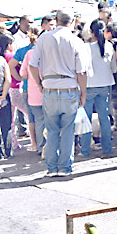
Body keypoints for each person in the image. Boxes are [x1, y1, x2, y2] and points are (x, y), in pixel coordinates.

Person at [30, 10, 88, 177]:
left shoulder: (44, 38)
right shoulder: (76, 41)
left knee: (52, 129)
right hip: (69, 88)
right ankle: (64, 166)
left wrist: (39, 84)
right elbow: (81, 72)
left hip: (49, 88)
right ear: (71, 22)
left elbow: (33, 65)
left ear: (56, 20)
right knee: (68, 130)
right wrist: (83, 93)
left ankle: (51, 167)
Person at [80, 19, 117, 158]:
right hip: (105, 84)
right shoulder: (108, 46)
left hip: (89, 85)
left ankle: (85, 149)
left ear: (91, 32)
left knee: (86, 119)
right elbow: (113, 68)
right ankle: (107, 148)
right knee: (104, 118)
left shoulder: (85, 47)